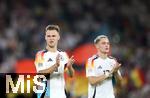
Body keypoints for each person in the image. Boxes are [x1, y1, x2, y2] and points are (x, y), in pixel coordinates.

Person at [34, 25, 75, 98]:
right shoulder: (41, 55)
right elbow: (40, 74)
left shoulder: (63, 54)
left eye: (53, 36)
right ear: (45, 37)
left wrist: (69, 67)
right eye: (49, 36)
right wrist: (55, 65)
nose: (51, 38)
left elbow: (71, 75)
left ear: (58, 37)